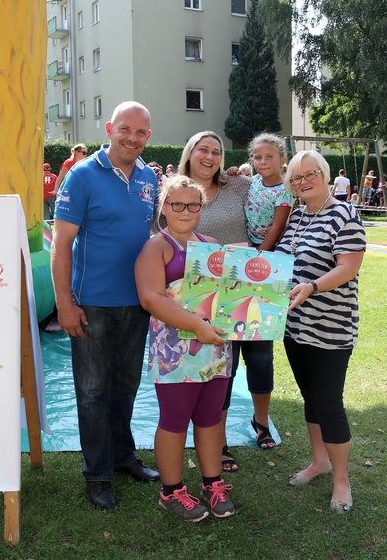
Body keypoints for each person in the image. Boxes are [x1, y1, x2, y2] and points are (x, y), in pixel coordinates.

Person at [51, 101, 160, 510]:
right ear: (109, 128)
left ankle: (122, 456)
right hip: (92, 305)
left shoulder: (150, 176)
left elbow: (151, 236)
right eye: (125, 129)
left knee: (126, 387)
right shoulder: (81, 176)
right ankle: (97, 474)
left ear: (148, 136)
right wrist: (65, 303)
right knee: (93, 392)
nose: (132, 138)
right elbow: (61, 244)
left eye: (141, 132)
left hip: (137, 303)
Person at [135, 176, 235, 522]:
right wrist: (196, 326)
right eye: (177, 204)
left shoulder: (211, 244)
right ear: (164, 207)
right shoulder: (157, 247)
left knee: (210, 418)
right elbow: (150, 297)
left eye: (193, 204)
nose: (185, 211)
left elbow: (230, 296)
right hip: (176, 351)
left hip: (216, 349)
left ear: (202, 207)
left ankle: (212, 483)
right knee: (175, 421)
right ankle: (171, 491)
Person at [275, 149, 365, 514]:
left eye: (310, 174)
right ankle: (319, 462)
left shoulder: (345, 214)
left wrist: (311, 286)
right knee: (310, 399)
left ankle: (341, 479)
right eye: (296, 178)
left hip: (330, 329)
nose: (303, 182)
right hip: (295, 327)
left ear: (325, 175)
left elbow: (348, 267)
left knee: (329, 404)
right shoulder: (297, 216)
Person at [177, 131, 250, 472]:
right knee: (191, 367)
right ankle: (187, 439)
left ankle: (217, 443)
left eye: (216, 151)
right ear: (189, 153)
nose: (209, 157)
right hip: (193, 292)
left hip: (236, 290)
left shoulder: (237, 186)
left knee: (225, 371)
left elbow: (272, 195)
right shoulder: (176, 190)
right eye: (202, 150)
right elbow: (157, 234)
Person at [232, 133, 292, 453]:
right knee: (228, 352)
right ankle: (218, 419)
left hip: (266, 268)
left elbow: (276, 228)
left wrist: (258, 258)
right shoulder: (249, 181)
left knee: (259, 354)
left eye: (269, 157)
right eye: (257, 157)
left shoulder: (286, 190)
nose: (263, 162)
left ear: (282, 158)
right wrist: (231, 173)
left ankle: (261, 421)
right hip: (241, 263)